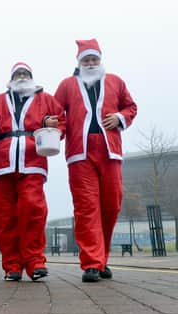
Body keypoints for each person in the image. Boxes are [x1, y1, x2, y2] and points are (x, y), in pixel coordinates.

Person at [54, 39, 137, 282]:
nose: (90, 63)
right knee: (87, 207)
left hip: (110, 149)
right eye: (86, 59)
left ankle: (102, 259)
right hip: (80, 152)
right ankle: (91, 263)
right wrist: (52, 131)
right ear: (79, 62)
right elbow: (56, 114)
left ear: (100, 60)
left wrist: (121, 117)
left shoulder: (115, 81)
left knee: (111, 205)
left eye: (94, 59)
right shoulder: (67, 85)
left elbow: (131, 106)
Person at [0, 62, 65, 281]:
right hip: (3, 163)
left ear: (31, 77)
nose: (21, 76)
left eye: (25, 73)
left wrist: (52, 125)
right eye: (17, 74)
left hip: (33, 160)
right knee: (3, 216)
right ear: (11, 78)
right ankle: (12, 266)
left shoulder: (46, 99)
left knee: (33, 210)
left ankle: (35, 262)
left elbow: (61, 121)